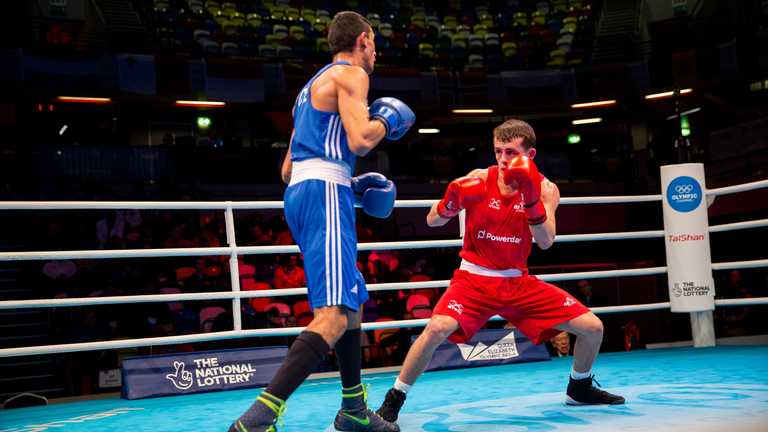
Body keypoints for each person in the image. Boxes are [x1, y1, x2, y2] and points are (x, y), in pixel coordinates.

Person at [230, 11, 414, 432]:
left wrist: (347, 182)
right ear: (363, 40)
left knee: (351, 304)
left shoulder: (308, 88)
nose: (375, 54)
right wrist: (386, 120)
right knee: (332, 315)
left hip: (305, 193)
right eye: (374, 45)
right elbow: (361, 139)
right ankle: (258, 418)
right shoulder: (351, 75)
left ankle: (353, 409)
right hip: (324, 194)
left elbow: (287, 169)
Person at [376, 119, 624, 424]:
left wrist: (531, 200)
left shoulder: (546, 188)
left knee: (593, 328)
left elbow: (546, 241)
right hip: (473, 280)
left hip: (518, 283)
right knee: (436, 329)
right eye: (498, 151)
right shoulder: (477, 179)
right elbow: (431, 221)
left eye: (511, 152)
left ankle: (580, 387)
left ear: (530, 154)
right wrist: (449, 205)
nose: (503, 159)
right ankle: (394, 399)